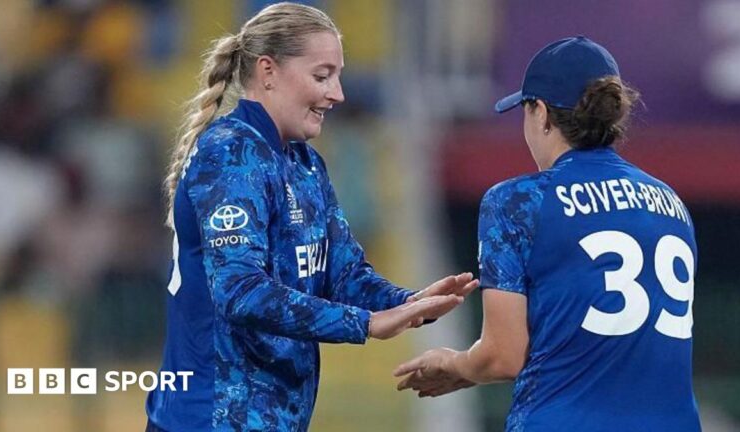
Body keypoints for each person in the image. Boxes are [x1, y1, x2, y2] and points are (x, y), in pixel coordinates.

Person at [145, 3, 478, 432]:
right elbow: (239, 291)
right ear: (268, 71)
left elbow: (343, 274)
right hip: (209, 419)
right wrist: (365, 324)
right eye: (322, 76)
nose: (337, 94)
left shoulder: (305, 163)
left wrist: (408, 304)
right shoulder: (231, 154)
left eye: (337, 77)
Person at [394, 36, 701, 431]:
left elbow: (503, 356)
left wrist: (455, 363)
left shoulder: (518, 201)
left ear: (540, 113)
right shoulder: (671, 204)